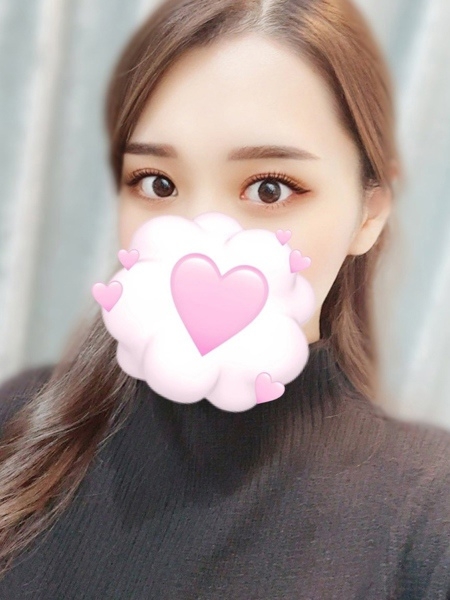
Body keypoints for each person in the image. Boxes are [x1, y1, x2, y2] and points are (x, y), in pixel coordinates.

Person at [0, 0, 449, 597]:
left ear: (370, 212)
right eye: (158, 183)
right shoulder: (23, 420)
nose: (202, 237)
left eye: (270, 189)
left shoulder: (428, 512)